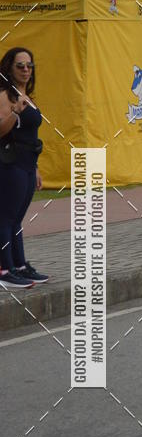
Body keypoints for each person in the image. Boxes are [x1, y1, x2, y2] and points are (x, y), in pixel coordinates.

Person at [0, 47, 49, 288]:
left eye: (29, 65)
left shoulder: (26, 95)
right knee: (6, 217)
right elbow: (1, 129)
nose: (26, 70)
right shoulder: (5, 95)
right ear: (9, 68)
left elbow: (31, 134)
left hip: (28, 163)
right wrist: (15, 112)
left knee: (17, 218)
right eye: (20, 66)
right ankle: (4, 270)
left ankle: (19, 266)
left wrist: (36, 168)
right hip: (11, 163)